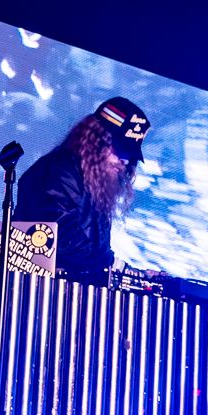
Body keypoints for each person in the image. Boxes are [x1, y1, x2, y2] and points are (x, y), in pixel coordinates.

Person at [14, 96, 150, 282]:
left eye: (130, 155)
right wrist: (113, 264)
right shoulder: (58, 171)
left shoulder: (94, 182)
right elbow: (61, 239)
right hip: (39, 288)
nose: (125, 161)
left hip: (66, 288)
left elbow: (93, 247)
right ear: (96, 139)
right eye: (121, 149)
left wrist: (128, 272)